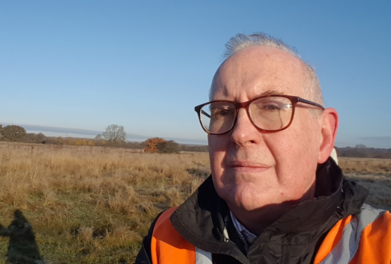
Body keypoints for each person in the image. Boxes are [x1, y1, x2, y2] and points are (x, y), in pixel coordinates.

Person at [135, 33, 391, 264]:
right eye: (223, 111)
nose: (240, 133)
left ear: (323, 136)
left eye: (271, 107)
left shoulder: (381, 243)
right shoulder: (166, 236)